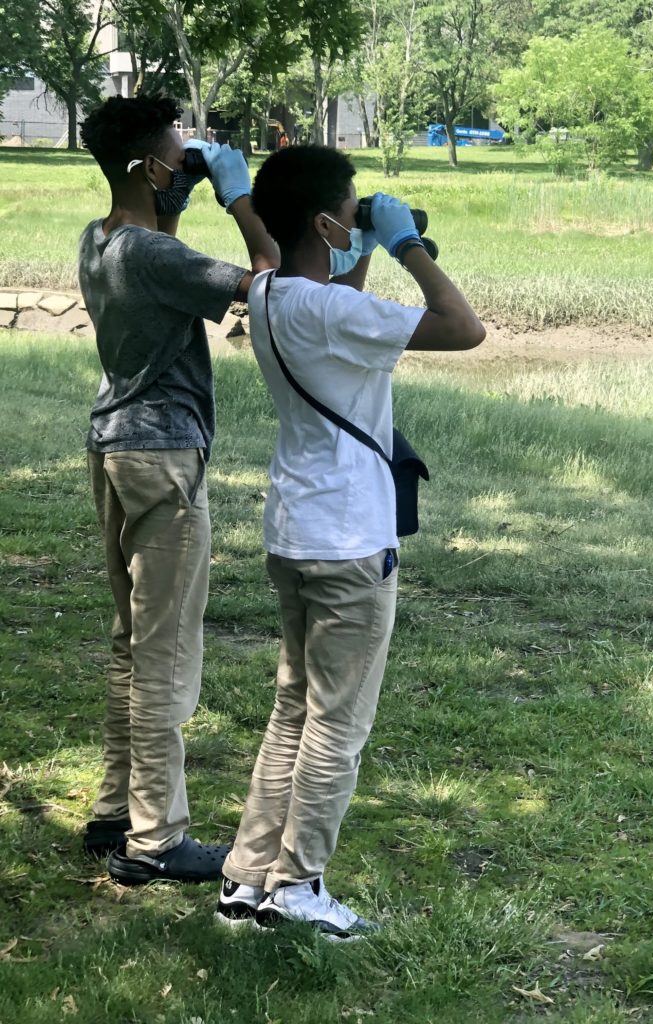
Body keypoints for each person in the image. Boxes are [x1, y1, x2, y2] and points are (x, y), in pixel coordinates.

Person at [215, 145, 484, 939]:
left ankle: (246, 878)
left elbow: (339, 318)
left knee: (292, 710)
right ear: (325, 221)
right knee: (337, 722)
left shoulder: (268, 294)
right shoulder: (331, 313)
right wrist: (405, 245)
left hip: (295, 529)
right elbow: (462, 329)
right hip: (351, 541)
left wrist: (354, 249)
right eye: (352, 210)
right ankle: (299, 886)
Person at [78, 94, 279, 885]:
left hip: (114, 449)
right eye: (175, 156)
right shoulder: (157, 257)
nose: (182, 165)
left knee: (133, 642)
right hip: (164, 457)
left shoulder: (101, 242)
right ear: (144, 167)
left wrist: (181, 185)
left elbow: (154, 238)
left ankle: (113, 812)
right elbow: (268, 281)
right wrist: (237, 196)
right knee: (166, 652)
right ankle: (156, 838)